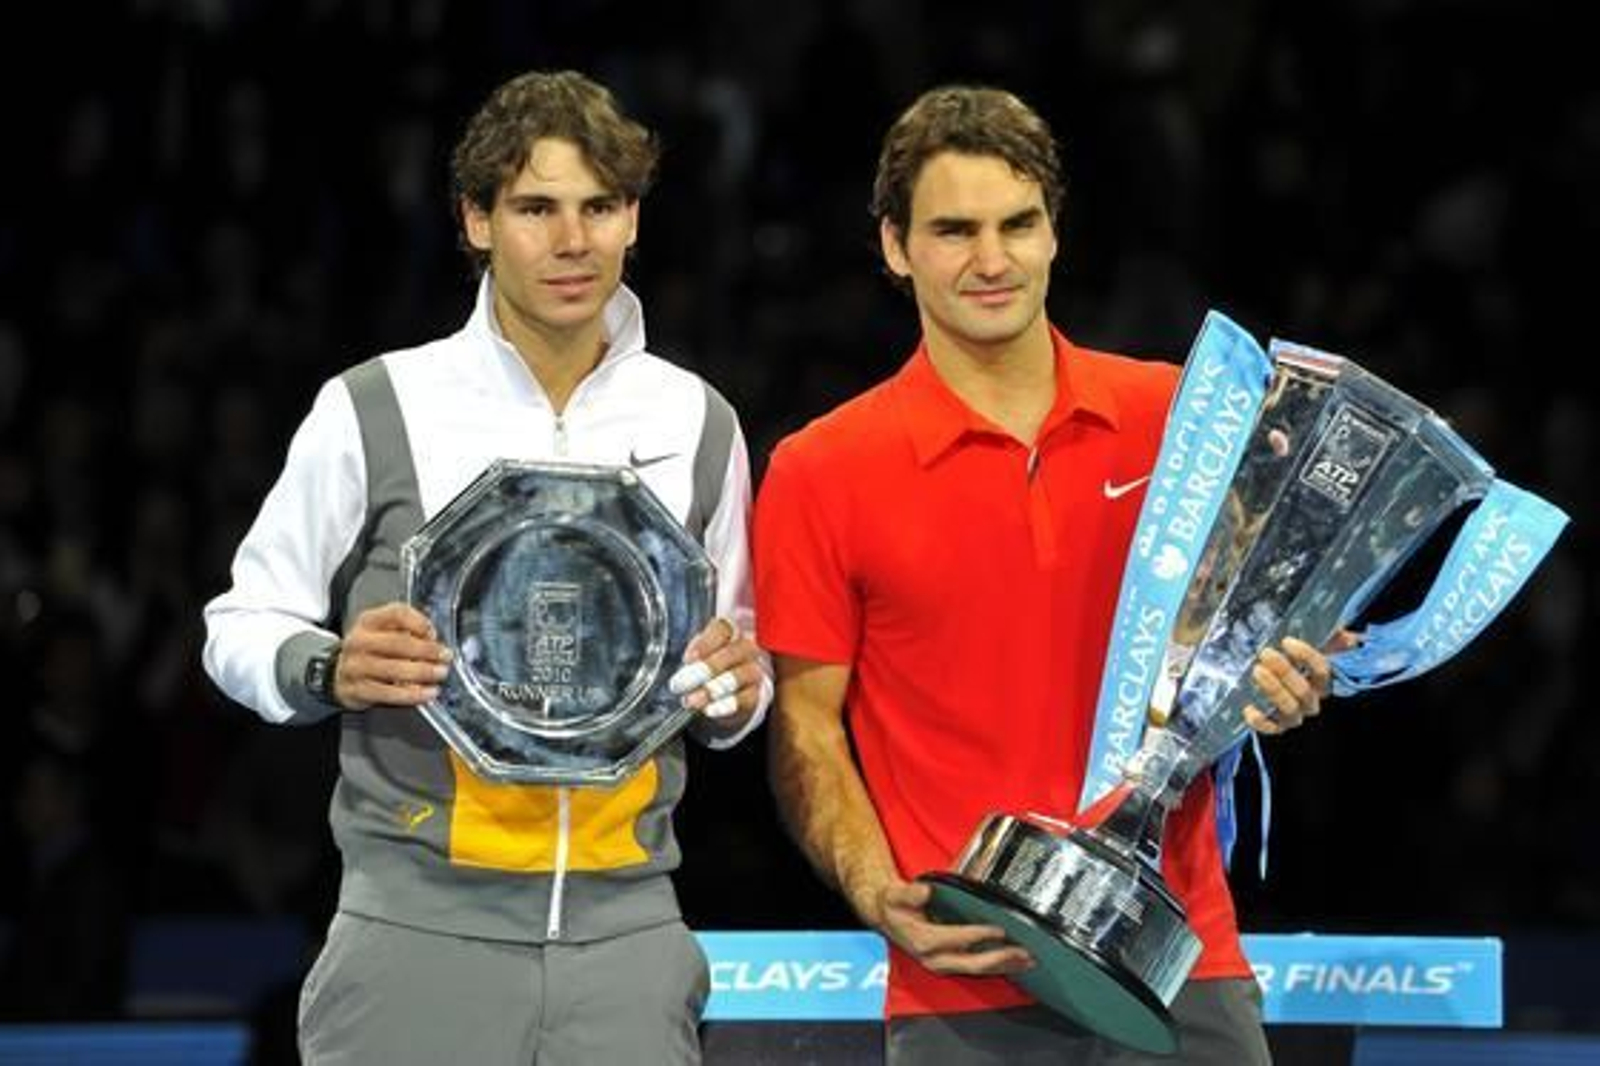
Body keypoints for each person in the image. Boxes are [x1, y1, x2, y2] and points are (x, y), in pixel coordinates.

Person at [752, 85, 1335, 1064]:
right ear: (894, 246)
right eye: (953, 230)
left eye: (1017, 224)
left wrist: (1284, 680)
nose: (992, 260)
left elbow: (1253, 638)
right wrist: (873, 889)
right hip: (967, 967)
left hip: (1179, 962)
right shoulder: (821, 470)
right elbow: (806, 720)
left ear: (1054, 232)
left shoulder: (1178, 419)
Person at [203, 69, 770, 1066]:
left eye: (600, 206)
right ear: (475, 219)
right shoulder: (377, 404)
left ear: (633, 218)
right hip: (417, 932)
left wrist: (737, 690)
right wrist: (328, 664)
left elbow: (734, 667)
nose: (572, 240)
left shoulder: (697, 421)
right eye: (535, 208)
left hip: (628, 933)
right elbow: (241, 623)